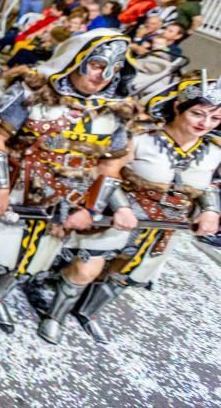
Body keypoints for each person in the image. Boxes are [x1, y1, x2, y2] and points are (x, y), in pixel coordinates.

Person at [0, 30, 136, 344]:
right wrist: (0, 188)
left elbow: (110, 166)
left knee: (33, 257)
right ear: (78, 58)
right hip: (17, 183)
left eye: (113, 68)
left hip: (65, 198)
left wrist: (90, 208)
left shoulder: (117, 111)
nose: (104, 75)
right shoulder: (32, 90)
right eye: (97, 64)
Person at [72, 74, 221, 343]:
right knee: (86, 270)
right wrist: (120, 208)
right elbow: (108, 172)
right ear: (178, 108)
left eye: (215, 118)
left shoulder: (214, 150)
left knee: (124, 274)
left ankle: (88, 313)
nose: (205, 124)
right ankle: (55, 314)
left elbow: (207, 183)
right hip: (117, 216)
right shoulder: (141, 137)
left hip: (164, 228)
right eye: (198, 114)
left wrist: (211, 210)